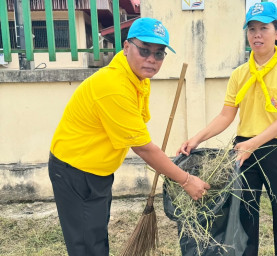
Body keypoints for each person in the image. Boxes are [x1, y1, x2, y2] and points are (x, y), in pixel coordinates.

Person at [48, 17, 210, 256]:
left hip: (97, 169)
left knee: (95, 235)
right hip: (76, 170)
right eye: (144, 50)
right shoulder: (113, 85)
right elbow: (142, 147)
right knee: (86, 245)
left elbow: (136, 130)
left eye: (159, 54)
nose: (151, 59)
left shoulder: (136, 78)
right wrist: (186, 180)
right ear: (126, 47)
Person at [177, 2, 277, 256]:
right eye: (251, 29)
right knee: (244, 217)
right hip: (243, 151)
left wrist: (253, 144)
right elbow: (226, 115)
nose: (257, 35)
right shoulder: (240, 73)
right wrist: (197, 138)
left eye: (264, 28)